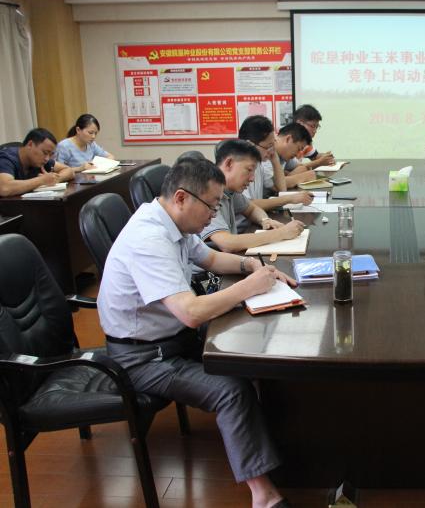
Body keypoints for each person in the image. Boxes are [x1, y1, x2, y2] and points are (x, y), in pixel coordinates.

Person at [98, 159, 294, 508]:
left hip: (171, 339)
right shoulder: (149, 239)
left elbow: (213, 260)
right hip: (143, 358)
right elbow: (190, 313)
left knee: (251, 351)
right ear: (181, 198)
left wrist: (253, 266)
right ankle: (264, 496)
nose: (214, 214)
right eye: (212, 205)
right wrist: (249, 287)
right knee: (231, 390)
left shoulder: (172, 221)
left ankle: (283, 444)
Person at [200, 138, 304, 253]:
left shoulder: (230, 190)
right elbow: (227, 243)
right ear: (229, 163)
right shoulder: (207, 193)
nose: (252, 178)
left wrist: (265, 220)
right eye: (249, 170)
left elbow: (251, 209)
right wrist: (281, 233)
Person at [238, 115, 314, 212]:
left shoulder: (259, 163)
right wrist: (289, 199)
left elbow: (282, 189)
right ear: (250, 145)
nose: (272, 150)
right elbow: (247, 205)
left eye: (273, 145)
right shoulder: (239, 168)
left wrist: (275, 159)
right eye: (269, 146)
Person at [0, 128, 74, 197]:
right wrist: (42, 180)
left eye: (50, 155)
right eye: (45, 152)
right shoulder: (6, 158)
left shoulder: (41, 160)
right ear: (30, 144)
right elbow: (5, 188)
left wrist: (57, 179)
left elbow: (69, 170)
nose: (47, 159)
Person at [263, 122, 317, 190]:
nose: (297, 154)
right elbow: (274, 186)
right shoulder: (267, 151)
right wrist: (304, 177)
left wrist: (286, 178)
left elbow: (302, 168)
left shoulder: (284, 154)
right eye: (298, 149)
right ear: (288, 139)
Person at [293, 104, 336, 169]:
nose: (315, 131)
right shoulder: (289, 141)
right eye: (312, 126)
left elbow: (315, 156)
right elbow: (293, 169)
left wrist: (326, 157)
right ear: (299, 123)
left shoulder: (305, 142)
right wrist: (319, 161)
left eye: (317, 127)